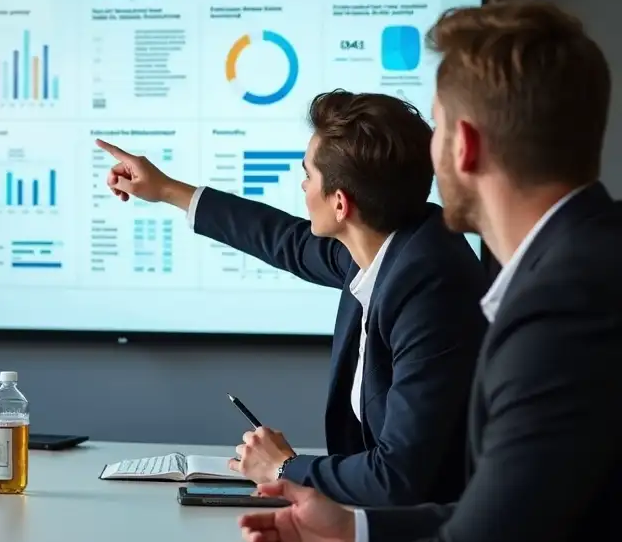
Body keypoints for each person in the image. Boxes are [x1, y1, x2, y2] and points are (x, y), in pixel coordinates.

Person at [238, 0, 622, 542]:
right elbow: (510, 516)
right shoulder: (586, 263)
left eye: (436, 128)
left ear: (464, 146)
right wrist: (356, 531)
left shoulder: (563, 307)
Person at [96, 89, 487, 507]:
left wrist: (285, 468)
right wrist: (167, 190)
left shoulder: (430, 288)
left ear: (340, 203)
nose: (302, 185)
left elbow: (399, 476)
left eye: (308, 175)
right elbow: (286, 240)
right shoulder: (387, 243)